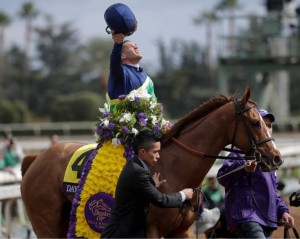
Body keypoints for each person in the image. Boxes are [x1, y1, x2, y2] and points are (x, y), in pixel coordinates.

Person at [217, 109, 295, 238]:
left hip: (267, 220)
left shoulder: (270, 159)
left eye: (270, 126)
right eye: (264, 125)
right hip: (247, 217)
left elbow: (274, 193)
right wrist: (243, 169)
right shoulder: (239, 152)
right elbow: (222, 177)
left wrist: (283, 212)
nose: (267, 129)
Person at [101, 130, 194, 238]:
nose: (158, 156)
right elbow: (161, 200)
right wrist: (183, 195)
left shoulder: (135, 164)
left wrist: (152, 186)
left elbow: (137, 193)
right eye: (155, 152)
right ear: (142, 152)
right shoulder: (138, 172)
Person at [106, 33, 156, 111]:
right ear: (122, 55)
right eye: (131, 46)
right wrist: (118, 43)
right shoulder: (119, 73)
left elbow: (154, 106)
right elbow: (115, 62)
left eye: (136, 45)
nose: (136, 47)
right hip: (119, 123)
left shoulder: (148, 80)